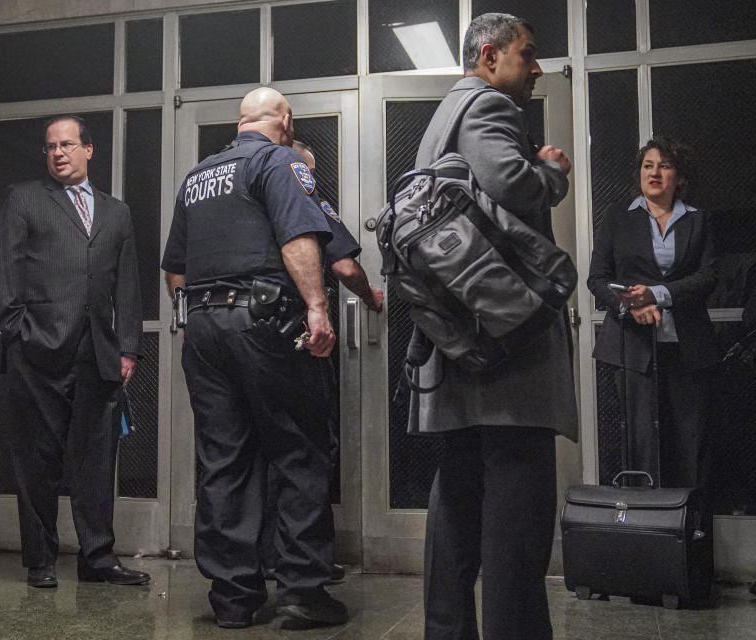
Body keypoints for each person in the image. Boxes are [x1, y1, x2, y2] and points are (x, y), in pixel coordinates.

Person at [411, 13, 577, 639]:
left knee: (457, 500)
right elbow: (510, 181)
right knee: (517, 512)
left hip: (459, 337)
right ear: (488, 58)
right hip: (508, 348)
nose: (536, 69)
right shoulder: (488, 108)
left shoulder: (441, 120)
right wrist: (551, 169)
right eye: (527, 56)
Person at [161, 87, 347, 628]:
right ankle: (303, 590)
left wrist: (193, 322)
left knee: (224, 459)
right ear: (284, 119)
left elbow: (176, 270)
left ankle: (233, 598)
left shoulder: (198, 177)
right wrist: (317, 307)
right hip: (265, 323)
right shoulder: (279, 159)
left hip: (204, 328)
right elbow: (297, 238)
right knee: (298, 450)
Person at [0, 115, 148, 589]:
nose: (58, 152)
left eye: (68, 144)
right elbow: (4, 269)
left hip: (98, 355)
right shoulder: (25, 199)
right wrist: (19, 333)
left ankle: (97, 557)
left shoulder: (116, 212)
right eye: (51, 146)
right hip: (37, 353)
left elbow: (129, 287)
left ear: (89, 150)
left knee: (97, 461)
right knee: (37, 460)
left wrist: (129, 348)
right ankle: (40, 560)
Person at [258, 140, 383, 583]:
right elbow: (346, 268)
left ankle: (261, 559)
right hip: (296, 337)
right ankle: (304, 564)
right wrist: (371, 299)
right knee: (306, 450)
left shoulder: (241, 201)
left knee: (257, 453)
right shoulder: (306, 196)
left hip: (245, 340)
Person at [588, 137, 719, 489]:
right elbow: (597, 278)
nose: (655, 172)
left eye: (664, 165)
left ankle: (689, 531)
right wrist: (629, 307)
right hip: (633, 349)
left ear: (680, 177)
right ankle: (644, 532)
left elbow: (708, 277)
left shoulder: (698, 219)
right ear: (639, 174)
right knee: (641, 446)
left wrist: (657, 295)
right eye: (648, 165)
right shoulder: (618, 217)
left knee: (690, 444)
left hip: (688, 348)